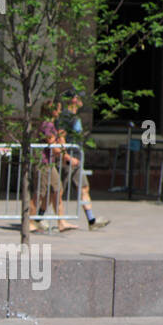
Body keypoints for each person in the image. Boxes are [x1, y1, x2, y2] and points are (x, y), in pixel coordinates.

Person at [56, 93, 108, 231]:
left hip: (77, 160)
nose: (81, 101)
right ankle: (42, 219)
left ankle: (91, 220)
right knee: (58, 191)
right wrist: (66, 156)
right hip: (68, 160)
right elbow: (60, 136)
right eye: (79, 98)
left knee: (84, 188)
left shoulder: (74, 117)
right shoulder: (66, 116)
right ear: (73, 100)